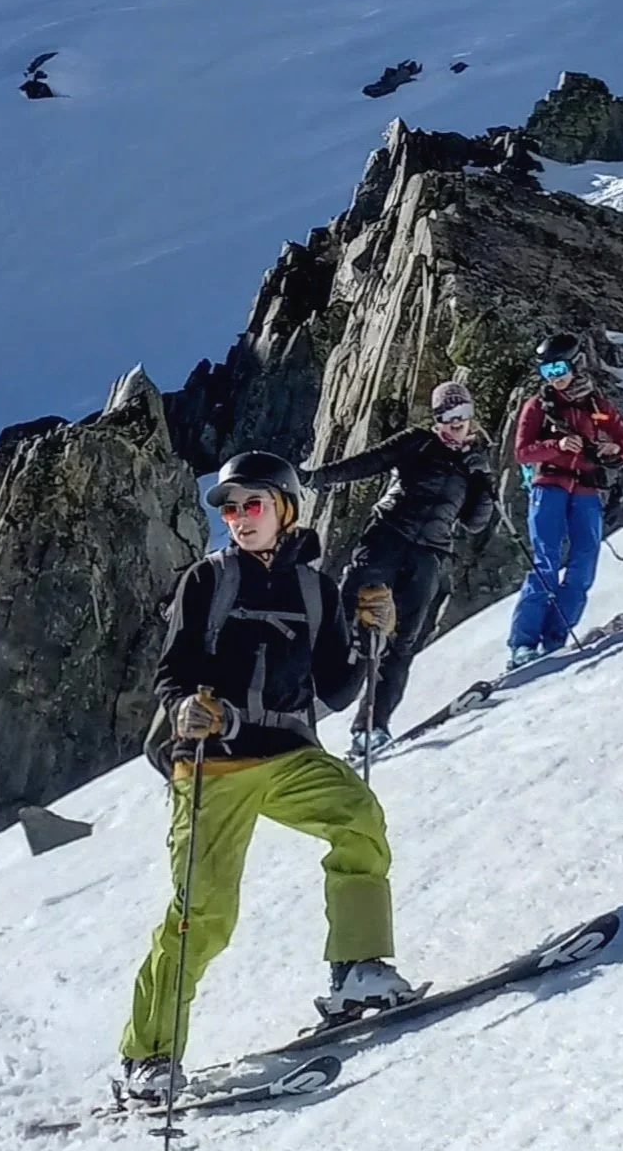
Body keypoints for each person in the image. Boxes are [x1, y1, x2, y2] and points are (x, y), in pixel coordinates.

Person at [120, 450, 416, 1104]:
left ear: (283, 508)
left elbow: (334, 688)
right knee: (204, 912)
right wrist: (182, 708)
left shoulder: (313, 590)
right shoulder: (209, 581)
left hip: (286, 754)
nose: (237, 518)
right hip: (213, 764)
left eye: (250, 504)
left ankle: (357, 968)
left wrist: (370, 636)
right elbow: (173, 671)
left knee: (357, 817)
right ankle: (149, 1057)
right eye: (227, 507)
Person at [303, 382, 495, 758]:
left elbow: (474, 522)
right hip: (387, 538)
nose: (455, 424)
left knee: (402, 642)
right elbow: (367, 463)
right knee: (350, 618)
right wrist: (317, 477)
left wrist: (483, 481)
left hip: (429, 555)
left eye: (461, 416)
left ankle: (371, 728)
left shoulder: (476, 458)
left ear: (471, 416)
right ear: (436, 418)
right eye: (446, 417)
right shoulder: (418, 441)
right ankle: (309, 702)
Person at [507, 335, 623, 665]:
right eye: (546, 370)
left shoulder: (597, 407)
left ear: (575, 363)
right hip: (549, 486)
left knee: (583, 566)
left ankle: (555, 637)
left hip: (586, 490)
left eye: (559, 367)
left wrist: (615, 449)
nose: (554, 376)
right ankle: (523, 644)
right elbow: (523, 453)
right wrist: (557, 447)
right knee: (546, 563)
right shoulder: (537, 407)